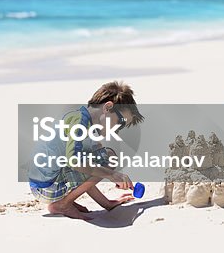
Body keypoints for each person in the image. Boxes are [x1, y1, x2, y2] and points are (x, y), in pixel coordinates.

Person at [27, 81, 145, 221]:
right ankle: (62, 205)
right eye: (119, 123)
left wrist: (107, 203)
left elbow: (86, 170)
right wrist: (111, 174)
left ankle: (63, 202)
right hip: (47, 187)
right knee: (107, 158)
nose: (118, 130)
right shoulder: (79, 122)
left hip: (45, 183)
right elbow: (75, 162)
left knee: (99, 159)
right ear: (107, 107)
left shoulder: (84, 121)